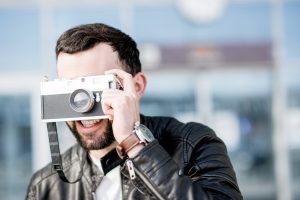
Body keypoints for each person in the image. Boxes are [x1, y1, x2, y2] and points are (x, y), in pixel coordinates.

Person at [26, 23, 243, 200]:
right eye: (71, 91)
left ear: (136, 87)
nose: (82, 104)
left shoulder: (191, 144)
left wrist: (135, 144)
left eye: (96, 87)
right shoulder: (45, 186)